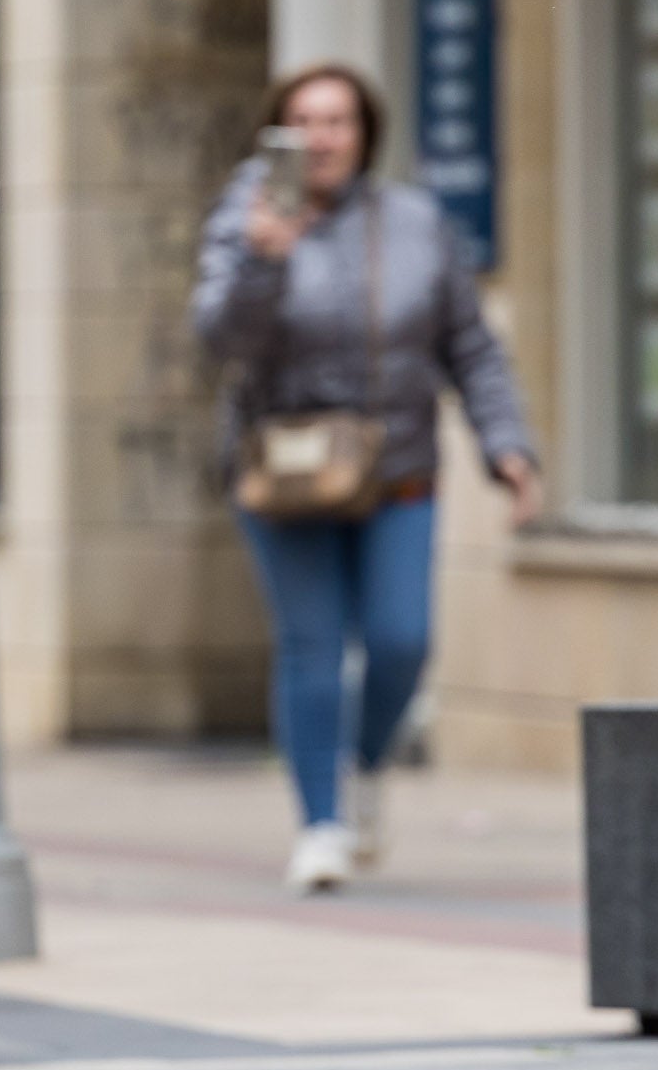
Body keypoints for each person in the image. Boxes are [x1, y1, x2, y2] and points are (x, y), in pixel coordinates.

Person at [193, 64, 542, 893]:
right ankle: (320, 824)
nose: (320, 138)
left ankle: (366, 760)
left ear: (365, 133)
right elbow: (217, 343)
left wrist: (509, 448)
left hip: (398, 470)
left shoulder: (417, 223)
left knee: (401, 641)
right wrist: (262, 262)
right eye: (303, 122)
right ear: (276, 133)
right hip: (285, 473)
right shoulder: (246, 224)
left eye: (338, 120)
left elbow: (471, 348)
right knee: (311, 646)